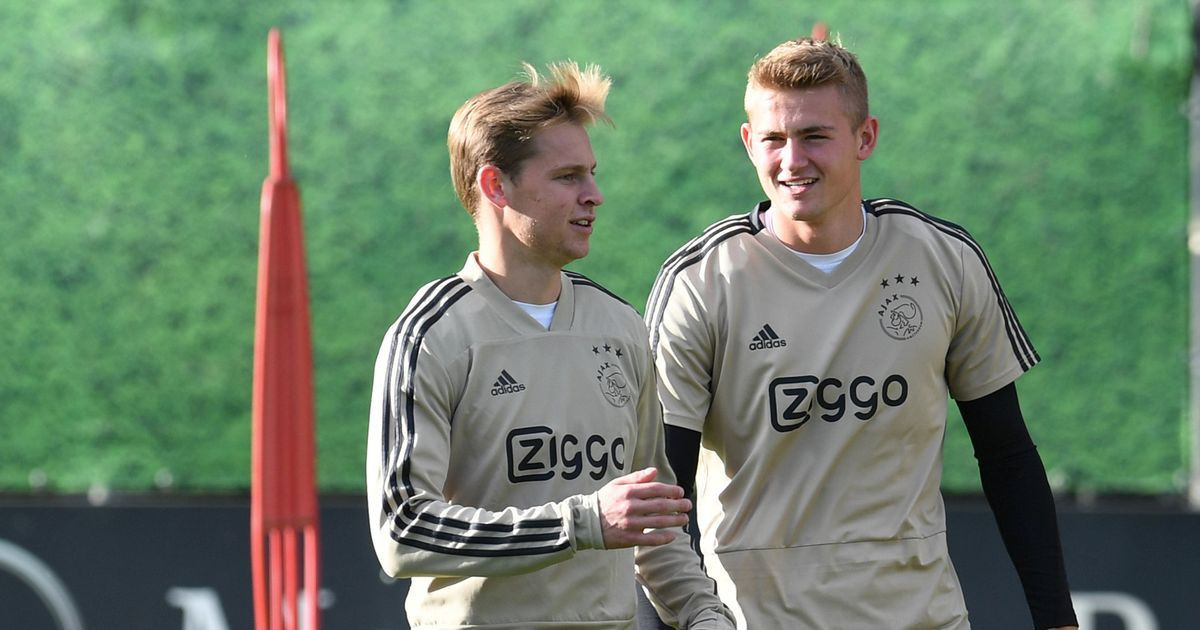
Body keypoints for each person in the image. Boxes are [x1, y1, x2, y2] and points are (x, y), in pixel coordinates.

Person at [643, 37, 1078, 629]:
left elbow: (1008, 458)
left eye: (815, 136)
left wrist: (1057, 620)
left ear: (865, 137)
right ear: (749, 144)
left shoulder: (942, 259)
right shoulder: (700, 282)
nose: (792, 160)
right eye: (773, 139)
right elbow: (657, 504)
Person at [365, 61, 734, 629]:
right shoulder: (432, 335)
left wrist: (705, 616)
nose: (595, 195)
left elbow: (653, 527)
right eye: (568, 177)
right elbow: (404, 531)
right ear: (495, 185)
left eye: (591, 173)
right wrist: (582, 522)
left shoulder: (619, 327)